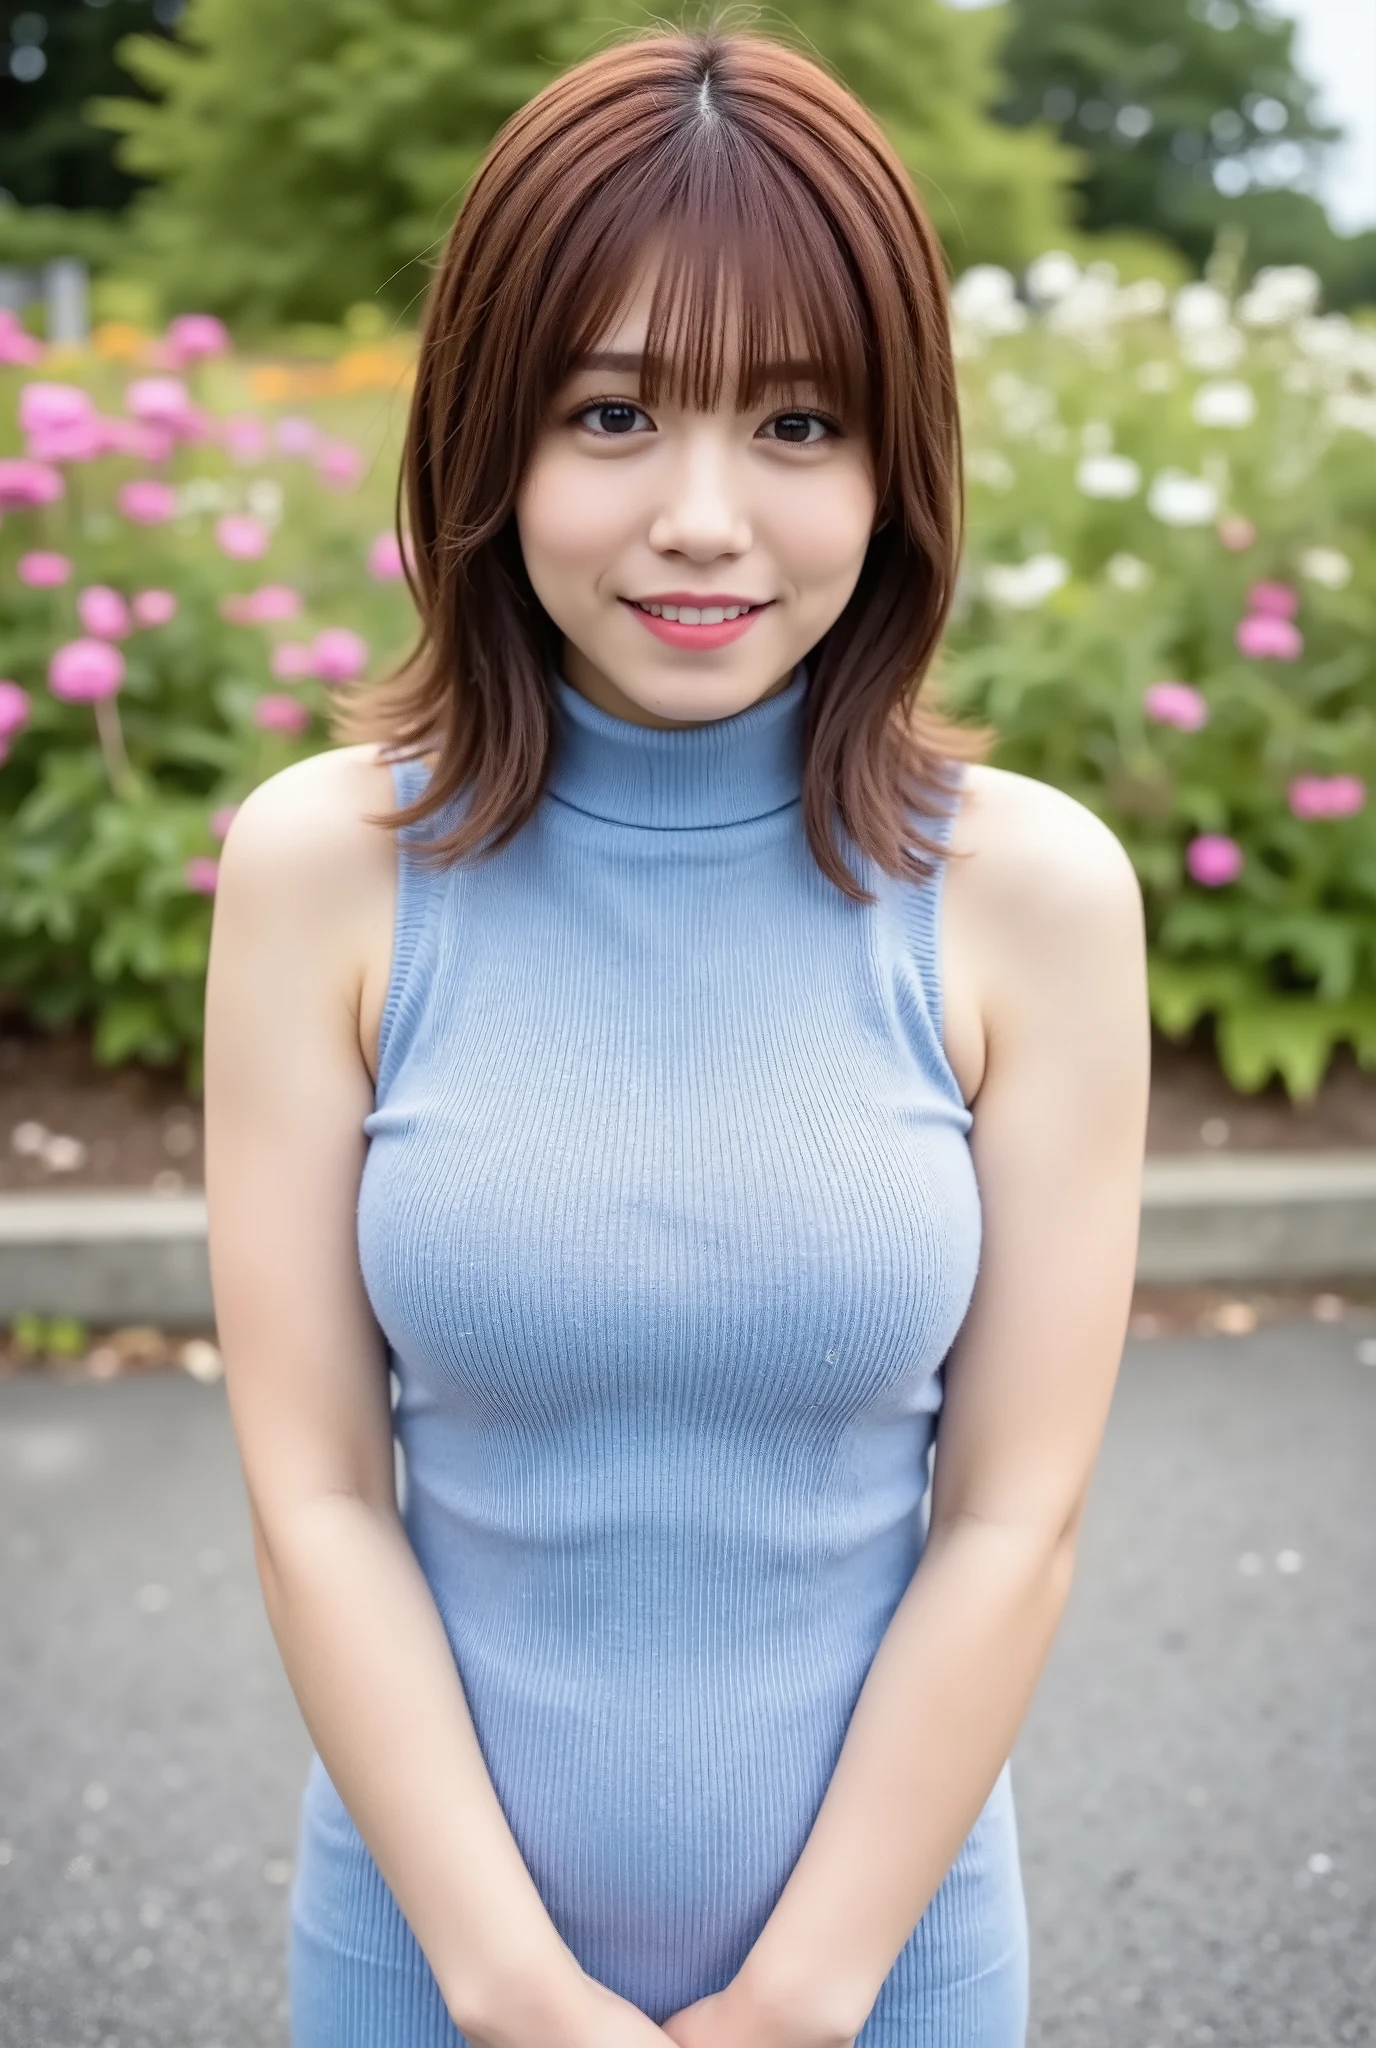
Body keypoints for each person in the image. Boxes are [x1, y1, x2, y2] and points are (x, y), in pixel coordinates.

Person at [203, 22, 1150, 2048]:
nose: (705, 516)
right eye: (614, 412)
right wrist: (509, 1989)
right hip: (424, 1972)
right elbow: (317, 1493)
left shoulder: (1028, 898)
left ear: (897, 463)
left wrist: (798, 2001)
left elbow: (1011, 1515)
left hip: (883, 1978)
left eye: (799, 424)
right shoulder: (325, 870)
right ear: (484, 438)